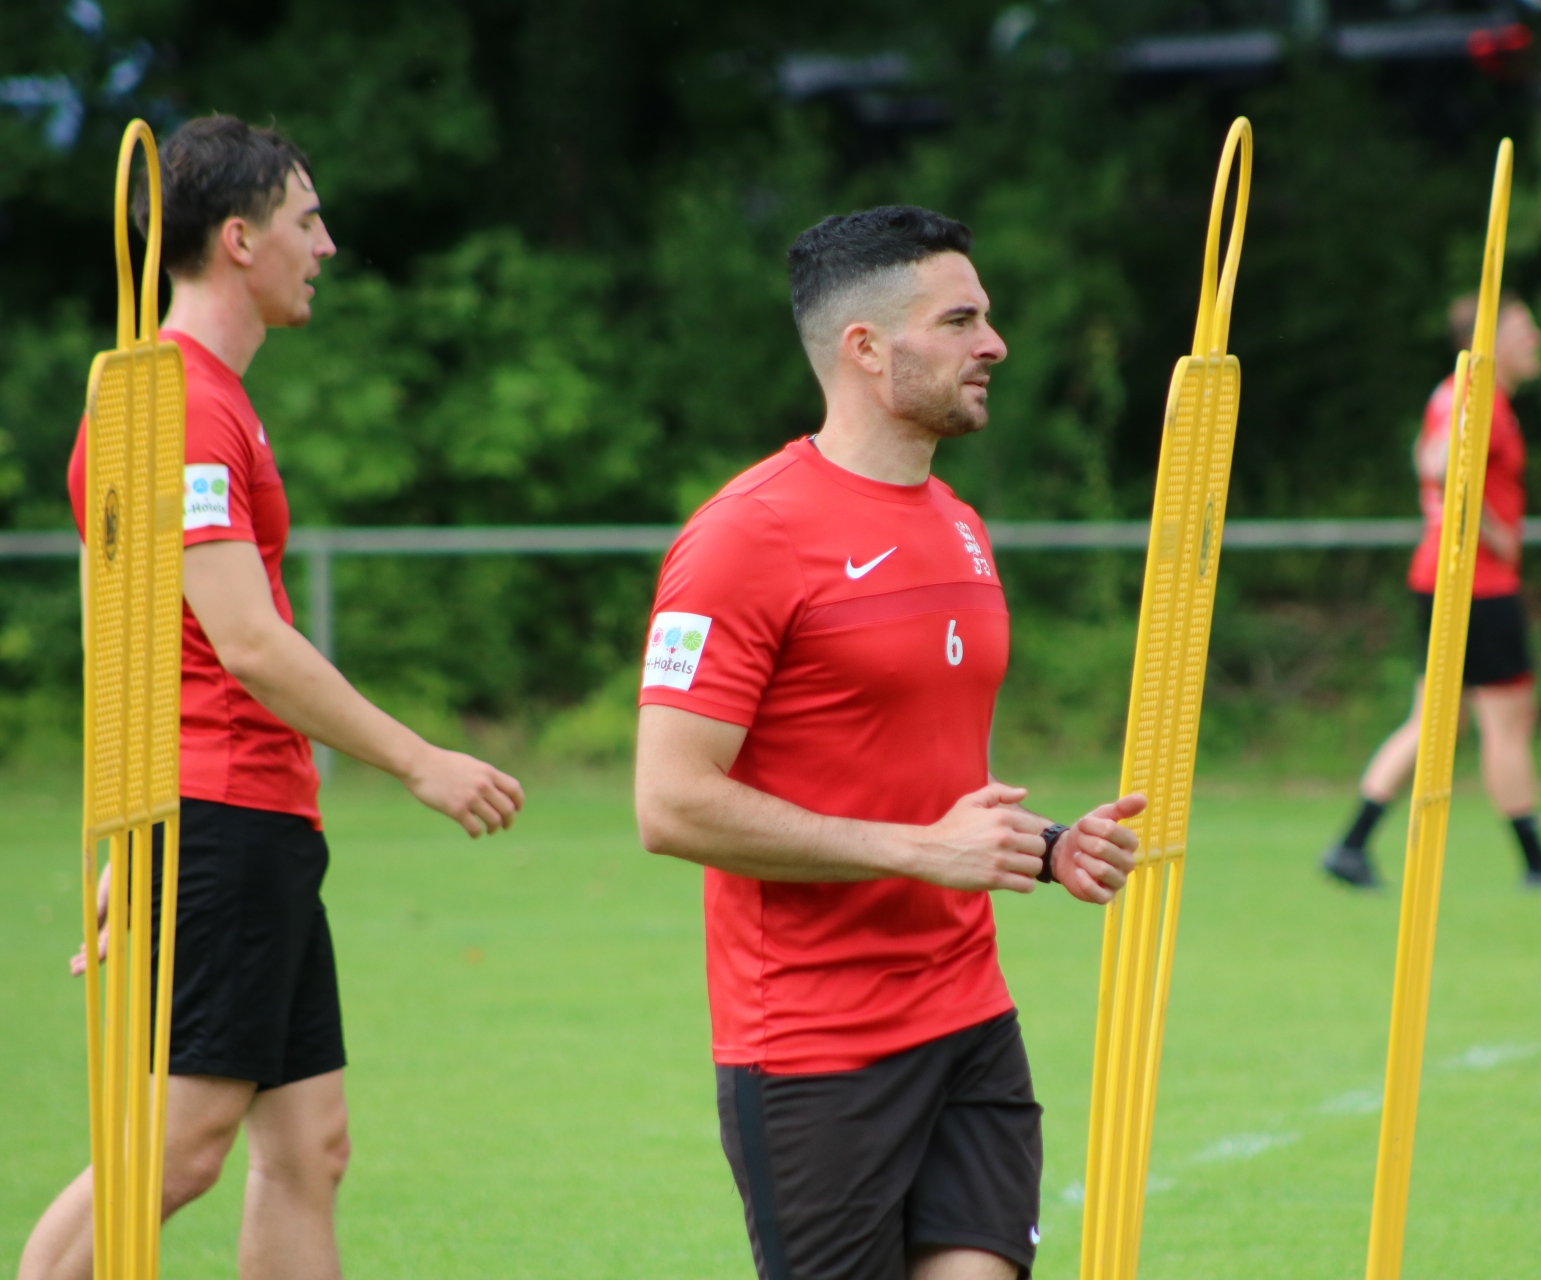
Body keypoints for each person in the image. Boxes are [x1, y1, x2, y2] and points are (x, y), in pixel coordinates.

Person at [21, 116, 526, 1280]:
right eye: (308, 219)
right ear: (240, 240)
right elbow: (246, 642)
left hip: (243, 815)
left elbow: (137, 631)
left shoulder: (189, 396)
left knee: (307, 1145)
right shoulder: (177, 404)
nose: (328, 245)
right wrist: (422, 759)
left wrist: (133, 820)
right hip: (227, 812)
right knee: (178, 1145)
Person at [633, 206, 1147, 1280]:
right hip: (815, 1049)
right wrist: (920, 851)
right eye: (959, 321)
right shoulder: (744, 534)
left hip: (970, 1020)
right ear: (866, 349)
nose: (993, 343)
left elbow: (918, 772)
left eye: (985, 317)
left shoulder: (959, 521)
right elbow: (670, 803)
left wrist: (1046, 847)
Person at [1320, 292, 1541, 890]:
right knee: (1507, 721)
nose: (1535, 339)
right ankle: (1538, 865)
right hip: (1476, 582)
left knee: (1436, 721)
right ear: (1487, 341)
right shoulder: (1479, 397)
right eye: (1522, 330)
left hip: (1446, 575)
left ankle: (1351, 845)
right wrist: (1493, 530)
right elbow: (1436, 464)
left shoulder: (1458, 392)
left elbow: (1426, 455)